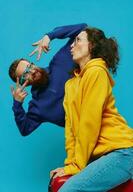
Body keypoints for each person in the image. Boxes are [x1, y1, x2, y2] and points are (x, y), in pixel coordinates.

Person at [50, 27, 133, 192]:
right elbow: (71, 130)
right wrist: (70, 164)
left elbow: (89, 123)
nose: (72, 46)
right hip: (103, 157)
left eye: (78, 40)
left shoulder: (96, 72)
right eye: (72, 42)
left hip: (122, 152)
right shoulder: (71, 84)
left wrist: (77, 165)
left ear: (92, 45)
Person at [9, 23, 87, 136]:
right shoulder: (38, 107)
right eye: (26, 73)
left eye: (30, 66)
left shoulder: (60, 61)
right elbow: (24, 129)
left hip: (107, 125)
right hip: (85, 141)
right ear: (23, 84)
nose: (32, 70)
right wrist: (17, 104)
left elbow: (83, 28)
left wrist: (49, 36)